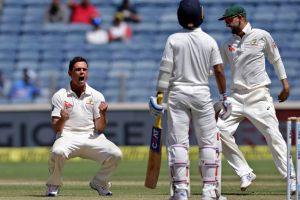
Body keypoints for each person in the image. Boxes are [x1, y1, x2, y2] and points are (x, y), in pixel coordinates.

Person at [149, 0, 231, 199]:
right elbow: (219, 70)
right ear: (201, 16)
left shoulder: (173, 40)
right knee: (209, 142)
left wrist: (160, 97)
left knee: (178, 143)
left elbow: (165, 71)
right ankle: (209, 191)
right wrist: (224, 97)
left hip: (177, 94)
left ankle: (181, 190)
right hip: (202, 94)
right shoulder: (209, 40)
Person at [217, 4, 296, 193]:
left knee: (273, 135)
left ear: (240, 17)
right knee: (218, 132)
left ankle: (291, 178)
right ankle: (245, 172)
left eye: (229, 20)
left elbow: (275, 59)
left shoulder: (261, 35)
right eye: (225, 21)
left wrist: (285, 84)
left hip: (258, 96)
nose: (227, 24)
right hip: (236, 97)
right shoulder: (228, 44)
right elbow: (216, 69)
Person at [45, 56, 122, 197]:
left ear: (87, 72)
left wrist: (103, 114)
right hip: (67, 136)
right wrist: (63, 119)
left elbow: (100, 128)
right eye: (77, 69)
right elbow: (56, 128)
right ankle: (54, 184)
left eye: (84, 69)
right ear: (70, 73)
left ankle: (99, 182)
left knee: (116, 154)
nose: (81, 72)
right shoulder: (60, 96)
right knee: (57, 152)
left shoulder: (97, 95)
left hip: (91, 137)